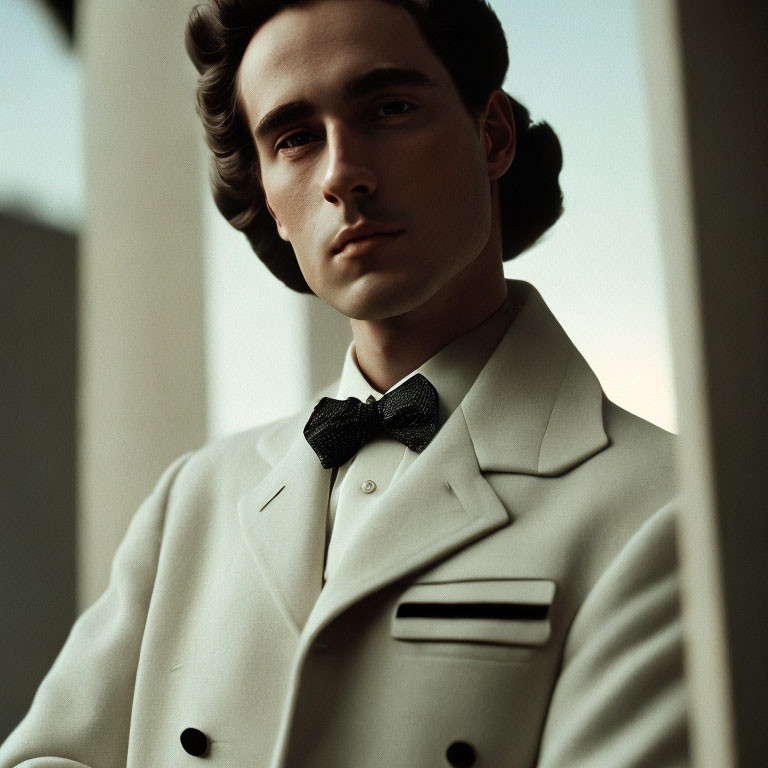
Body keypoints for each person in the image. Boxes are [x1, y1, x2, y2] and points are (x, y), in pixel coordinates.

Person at [0, 0, 688, 766]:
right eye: (293, 138)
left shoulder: (668, 507)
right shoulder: (190, 501)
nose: (342, 175)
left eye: (389, 108)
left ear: (491, 134)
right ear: (267, 196)